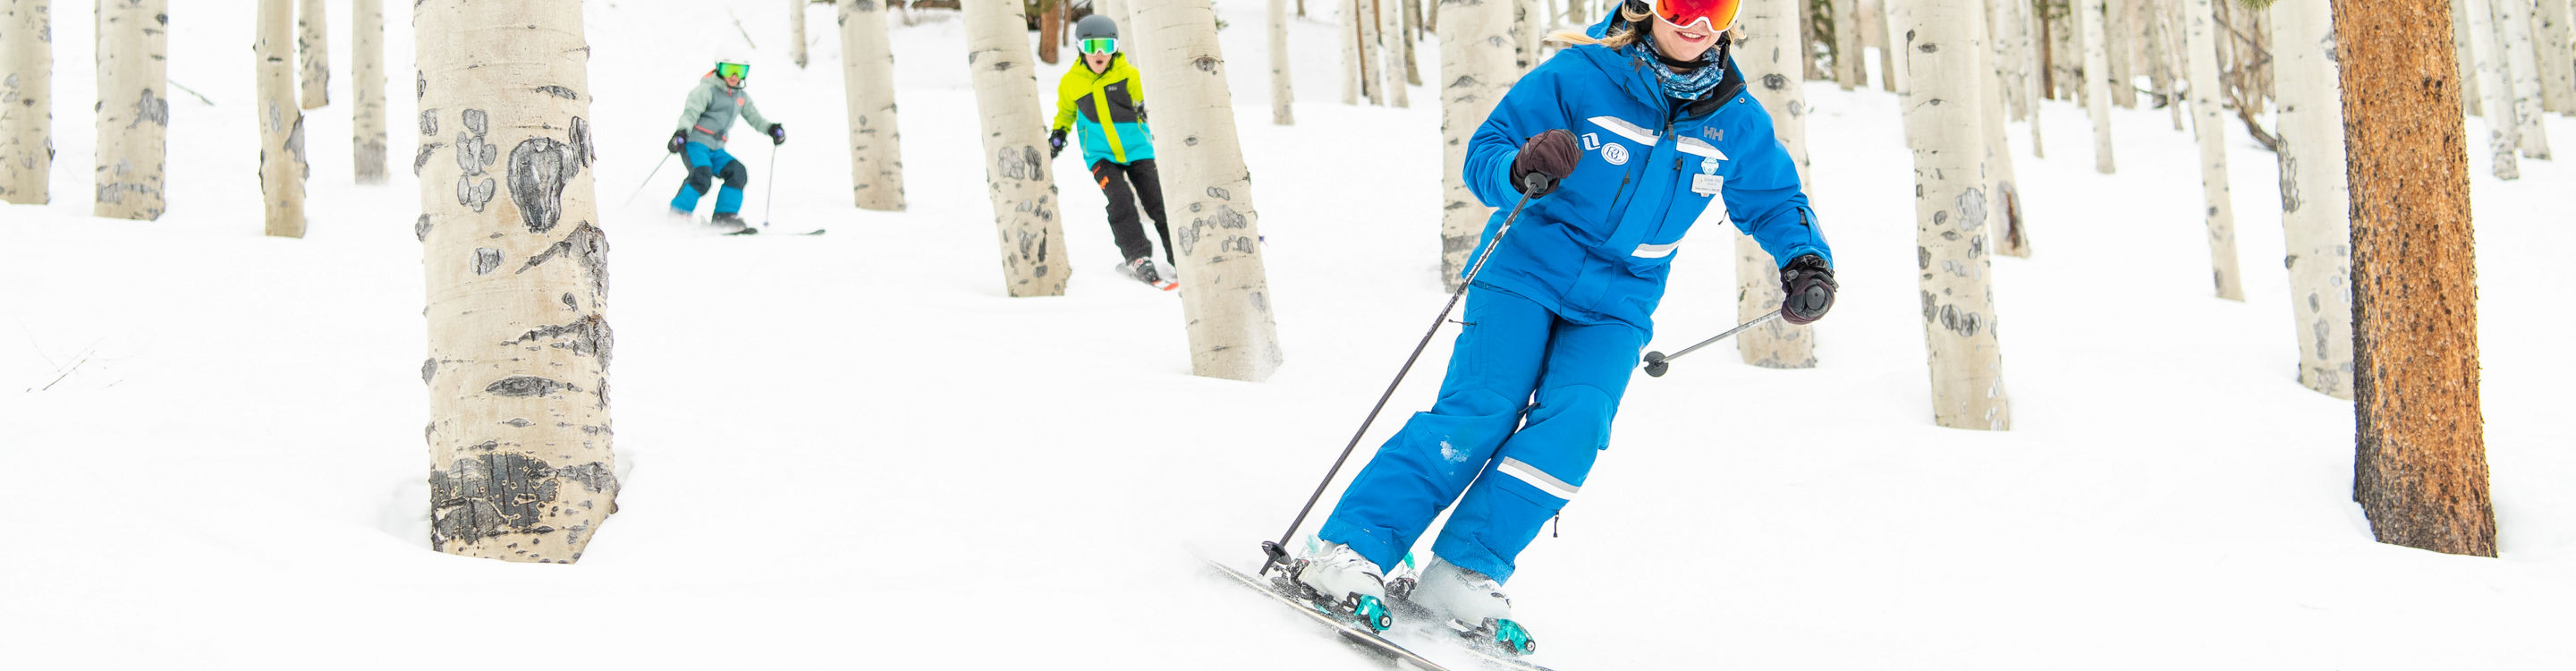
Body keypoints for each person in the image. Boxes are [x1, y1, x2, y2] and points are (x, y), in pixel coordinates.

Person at [1290, 0, 1838, 653]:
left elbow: (1775, 199)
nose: (1696, 22)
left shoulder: (1735, 119)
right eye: (1680, 4)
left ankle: (1464, 569)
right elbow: (1486, 153)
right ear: (1644, 8)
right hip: (1525, 268)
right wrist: (1521, 167)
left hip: (1620, 301)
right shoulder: (1580, 76)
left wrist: (1806, 260)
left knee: (1577, 425)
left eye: (1715, 7)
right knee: (1482, 409)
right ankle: (1349, 548)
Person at [1049, 14, 1175, 288]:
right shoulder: (1071, 83)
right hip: (1100, 156)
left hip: (1137, 149)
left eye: (1106, 46)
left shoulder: (1128, 74)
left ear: (1115, 47)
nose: (1099, 53)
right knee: (1119, 200)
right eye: (1092, 46)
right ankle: (1137, 256)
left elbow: (1144, 97)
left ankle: (1179, 254)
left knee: (1157, 201)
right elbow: (1066, 114)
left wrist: (1145, 107)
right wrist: (1058, 135)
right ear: (1080, 48)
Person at [668, 50, 786, 229]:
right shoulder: (707, 90)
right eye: (729, 69)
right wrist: (681, 133)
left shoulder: (740, 98)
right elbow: (690, 113)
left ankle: (724, 216)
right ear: (718, 69)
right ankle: (678, 214)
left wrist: (771, 129)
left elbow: (755, 119)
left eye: (739, 71)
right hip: (695, 143)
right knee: (702, 176)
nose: (733, 76)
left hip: (716, 149)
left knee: (737, 172)